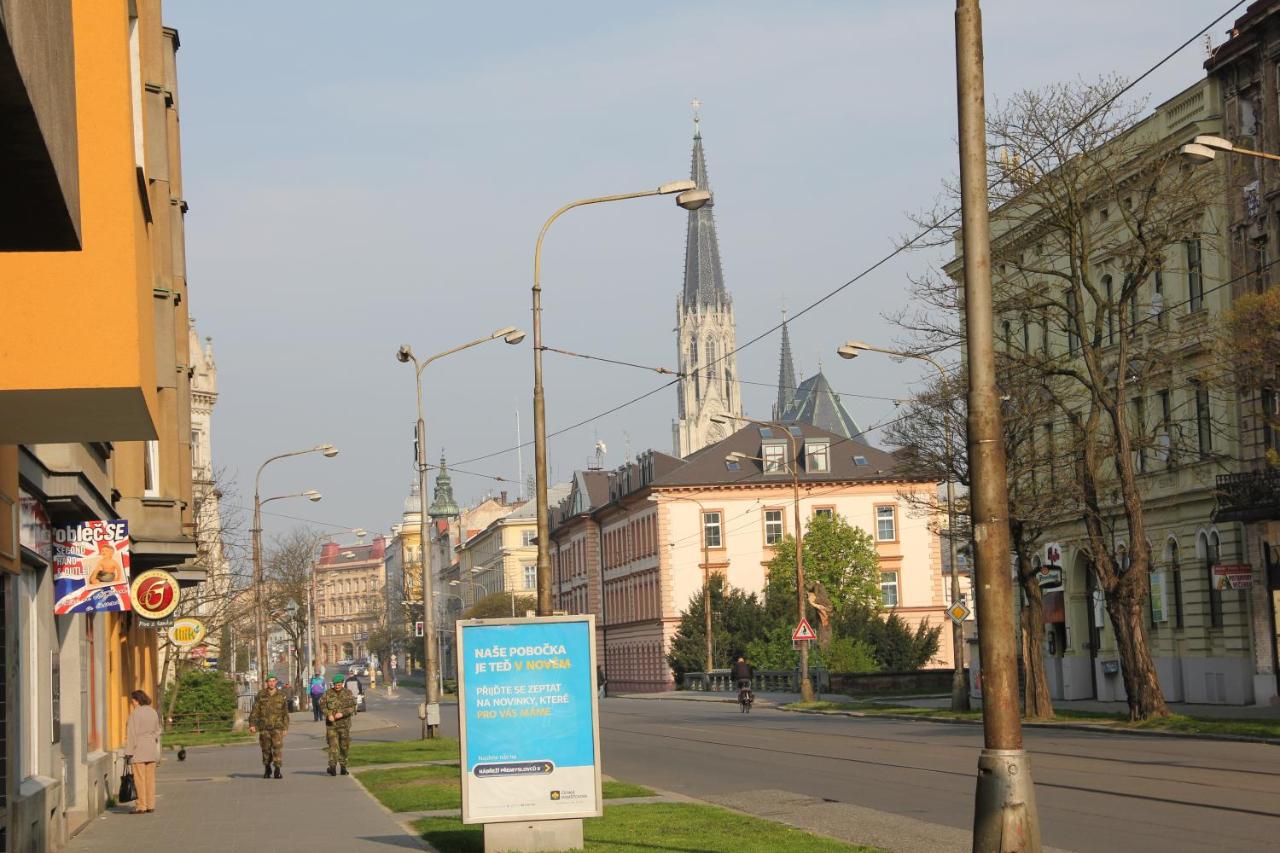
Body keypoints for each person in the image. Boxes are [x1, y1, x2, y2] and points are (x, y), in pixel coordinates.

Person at [124, 689, 161, 814]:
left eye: (133, 701)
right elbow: (158, 730)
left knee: (139, 779)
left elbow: (131, 734)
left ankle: (141, 805)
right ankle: (151, 804)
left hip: (138, 749)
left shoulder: (135, 714)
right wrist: (151, 738)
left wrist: (128, 752)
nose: (132, 703)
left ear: (137, 700)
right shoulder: (153, 712)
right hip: (151, 748)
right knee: (150, 778)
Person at [248, 673, 290, 778]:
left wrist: (285, 727)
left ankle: (277, 769)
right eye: (269, 681)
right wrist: (252, 724)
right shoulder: (261, 695)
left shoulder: (281, 695)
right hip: (264, 727)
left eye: (273, 681)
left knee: (277, 748)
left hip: (277, 727)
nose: (271, 683)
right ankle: (267, 768)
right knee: (266, 749)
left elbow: (285, 713)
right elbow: (255, 710)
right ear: (266, 683)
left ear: (276, 682)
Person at [319, 673, 357, 776]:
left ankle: (343, 766)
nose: (337, 686)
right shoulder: (328, 694)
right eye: (335, 684)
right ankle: (332, 767)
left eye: (339, 684)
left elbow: (353, 708)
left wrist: (343, 713)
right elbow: (322, 705)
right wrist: (328, 714)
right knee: (333, 747)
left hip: (344, 725)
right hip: (332, 726)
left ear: (342, 683)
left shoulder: (348, 693)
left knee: (344, 747)